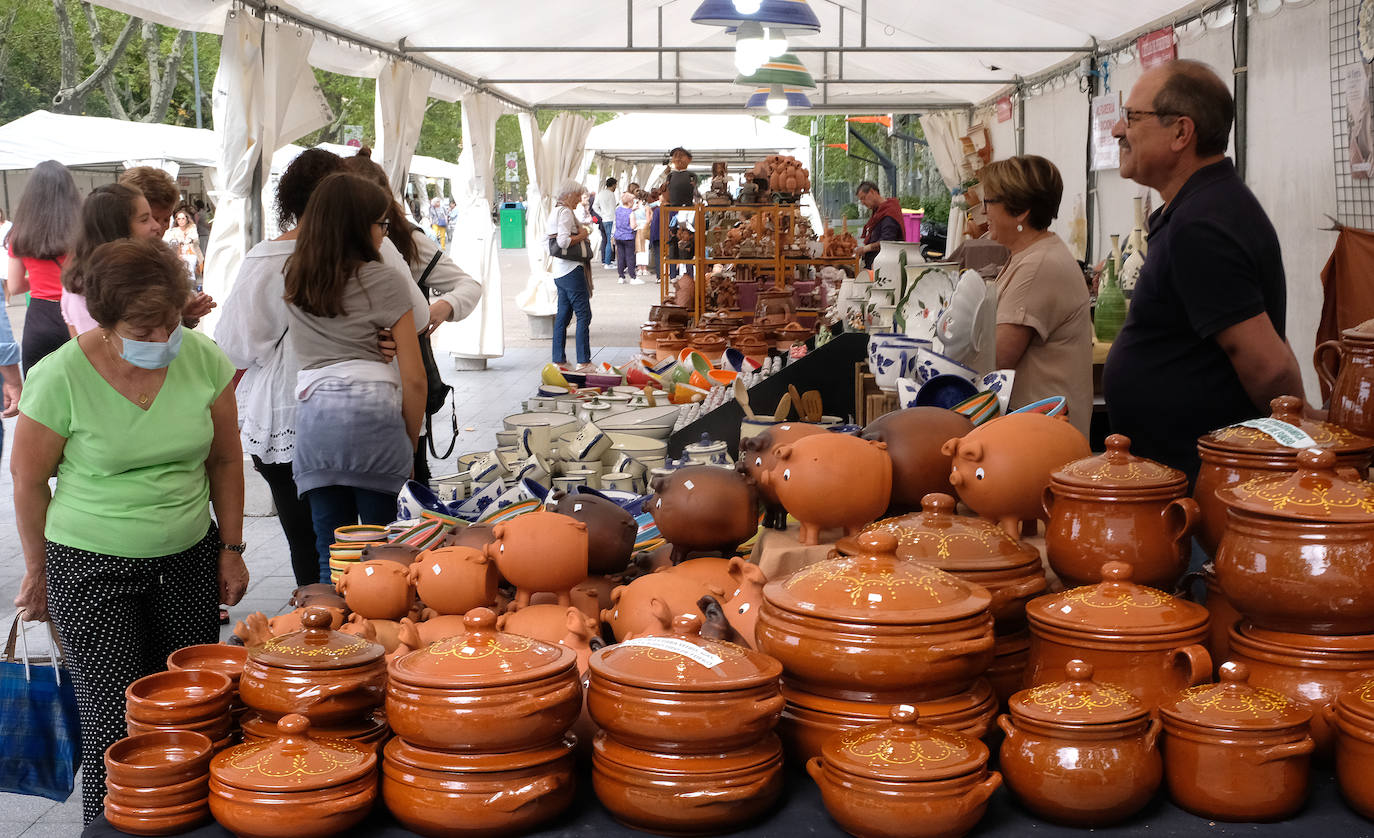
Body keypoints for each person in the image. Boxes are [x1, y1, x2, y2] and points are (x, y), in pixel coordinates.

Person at [12, 238, 248, 823]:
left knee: (190, 709)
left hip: (188, 558)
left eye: (170, 322)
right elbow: (28, 481)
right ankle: (109, 828)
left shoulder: (202, 358)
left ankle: (187, 823)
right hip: (90, 566)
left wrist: (231, 548)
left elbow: (224, 460)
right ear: (105, 320)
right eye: (143, 330)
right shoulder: (60, 375)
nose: (162, 339)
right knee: (113, 721)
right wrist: (38, 571)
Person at [1103, 59, 1304, 483]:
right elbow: (1267, 333)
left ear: (1181, 132)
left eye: (1132, 117)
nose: (1118, 130)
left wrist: (1303, 444)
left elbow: (1269, 365)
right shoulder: (1202, 208)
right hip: (1185, 473)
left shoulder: (1202, 224)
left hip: (1201, 485)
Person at [283, 173, 426, 581]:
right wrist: (408, 445)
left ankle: (331, 621)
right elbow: (415, 378)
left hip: (316, 429)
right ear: (357, 226)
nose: (384, 233)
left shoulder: (296, 276)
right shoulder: (384, 279)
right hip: (375, 428)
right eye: (381, 224)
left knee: (331, 553)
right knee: (385, 556)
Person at [216, 149, 347, 586]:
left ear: (289, 199)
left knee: (304, 539)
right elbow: (416, 317)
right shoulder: (368, 252)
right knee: (357, 536)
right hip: (357, 412)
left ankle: (316, 619)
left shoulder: (267, 259)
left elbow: (234, 346)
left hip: (285, 414)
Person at [341, 151, 482, 484]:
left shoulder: (404, 241)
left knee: (406, 488)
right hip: (344, 402)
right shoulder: (319, 246)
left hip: (398, 391)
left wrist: (442, 307)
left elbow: (468, 285)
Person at [981, 155, 1093, 437]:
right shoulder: (1031, 256)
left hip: (1041, 437)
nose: (983, 211)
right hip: (1036, 429)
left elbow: (995, 360)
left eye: (988, 202)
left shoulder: (1037, 266)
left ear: (1020, 211)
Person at [61, 183, 165, 337]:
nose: (157, 226)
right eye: (144, 220)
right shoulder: (88, 290)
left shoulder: (145, 271)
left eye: (153, 217)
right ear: (116, 230)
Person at [6, 160, 80, 373]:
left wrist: (39, 280)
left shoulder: (20, 233)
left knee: (38, 385)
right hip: (77, 313)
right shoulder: (83, 228)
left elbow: (14, 287)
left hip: (40, 318)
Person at [119, 166, 216, 325]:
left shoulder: (162, 257)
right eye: (148, 219)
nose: (158, 227)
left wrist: (186, 313)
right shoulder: (113, 265)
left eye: (165, 220)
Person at [548, 178, 594, 369]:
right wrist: (583, 235)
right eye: (577, 196)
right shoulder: (566, 212)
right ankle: (583, 361)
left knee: (563, 316)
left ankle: (558, 360)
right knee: (584, 315)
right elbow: (563, 242)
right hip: (571, 270)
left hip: (559, 271)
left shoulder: (555, 211)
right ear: (568, 195)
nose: (578, 200)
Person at [853, 180, 905, 270]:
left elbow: (887, 242)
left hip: (885, 266)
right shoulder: (878, 211)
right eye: (861, 200)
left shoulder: (889, 212)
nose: (863, 203)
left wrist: (865, 249)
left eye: (863, 198)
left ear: (872, 192)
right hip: (874, 263)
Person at [165, 204, 205, 285]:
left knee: (190, 271)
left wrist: (186, 241)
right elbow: (169, 241)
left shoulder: (192, 228)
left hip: (192, 254)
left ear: (187, 219)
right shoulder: (174, 231)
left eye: (183, 218)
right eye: (179, 219)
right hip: (179, 255)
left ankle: (191, 286)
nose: (181, 221)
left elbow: (194, 239)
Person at [613, 191, 638, 283]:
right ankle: (632, 277)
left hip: (618, 236)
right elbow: (633, 226)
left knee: (620, 257)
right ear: (630, 202)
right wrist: (636, 224)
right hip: (628, 237)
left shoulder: (618, 210)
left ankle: (621, 276)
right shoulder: (631, 213)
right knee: (630, 257)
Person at [594, 177, 618, 267]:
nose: (616, 187)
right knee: (609, 241)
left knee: (606, 240)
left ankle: (606, 260)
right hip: (611, 219)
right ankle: (608, 262)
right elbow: (613, 208)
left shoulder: (600, 193)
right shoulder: (611, 194)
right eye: (615, 185)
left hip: (604, 219)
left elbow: (594, 206)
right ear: (613, 185)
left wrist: (602, 214)